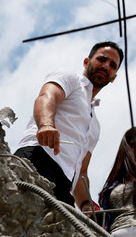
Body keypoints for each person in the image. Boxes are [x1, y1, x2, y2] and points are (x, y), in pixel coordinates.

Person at [13, 41, 122, 214]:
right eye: (102, 59)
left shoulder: (95, 125)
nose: (106, 66)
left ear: (114, 76)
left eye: (112, 65)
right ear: (86, 62)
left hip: (65, 184)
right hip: (39, 156)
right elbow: (46, 97)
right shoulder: (70, 78)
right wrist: (46, 124)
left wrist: (86, 204)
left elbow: (82, 171)